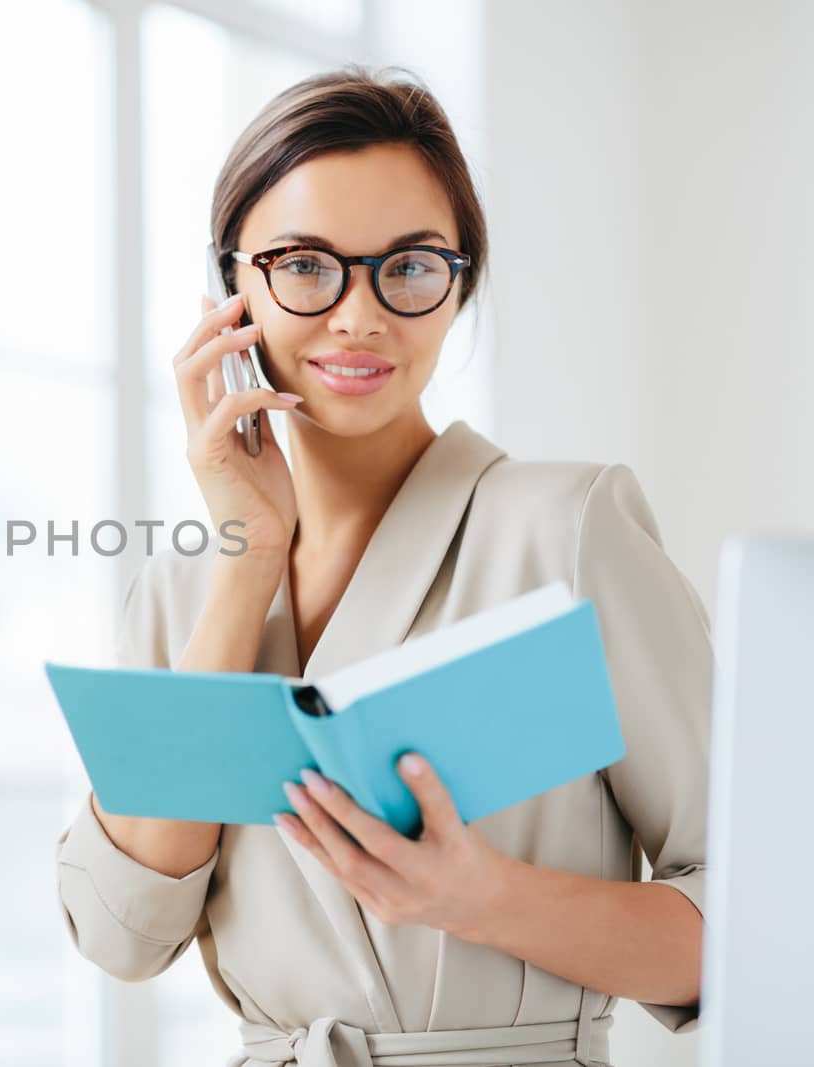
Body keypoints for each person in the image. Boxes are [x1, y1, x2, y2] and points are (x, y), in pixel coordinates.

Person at [54, 65, 710, 1067]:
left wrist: (483, 897)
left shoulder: (565, 527)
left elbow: (762, 919)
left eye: (407, 266)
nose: (358, 316)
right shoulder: (185, 589)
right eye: (305, 264)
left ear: (459, 286)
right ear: (235, 288)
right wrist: (247, 559)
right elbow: (122, 931)